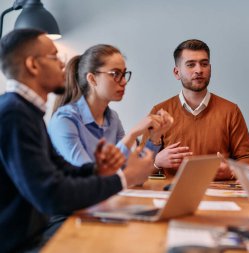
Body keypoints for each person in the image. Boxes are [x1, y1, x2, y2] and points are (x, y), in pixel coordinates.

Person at [0, 29, 154, 252]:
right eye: (54, 57)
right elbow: (51, 195)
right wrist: (123, 178)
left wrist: (98, 170)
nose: (63, 65)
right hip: (23, 244)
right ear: (33, 65)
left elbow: (60, 170)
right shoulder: (14, 114)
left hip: (34, 235)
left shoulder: (25, 111)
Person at [48, 44, 173, 166]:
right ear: (92, 79)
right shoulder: (64, 120)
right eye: (115, 74)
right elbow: (89, 177)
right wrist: (132, 134)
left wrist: (155, 137)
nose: (124, 82)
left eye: (124, 74)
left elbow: (133, 173)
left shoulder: (112, 118)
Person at [150, 39, 249, 180]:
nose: (199, 70)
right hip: (171, 194)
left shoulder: (231, 111)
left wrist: (231, 171)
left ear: (210, 69)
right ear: (177, 72)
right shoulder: (160, 112)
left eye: (204, 64)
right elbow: (138, 168)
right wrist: (157, 162)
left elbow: (247, 159)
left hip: (220, 195)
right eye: (191, 65)